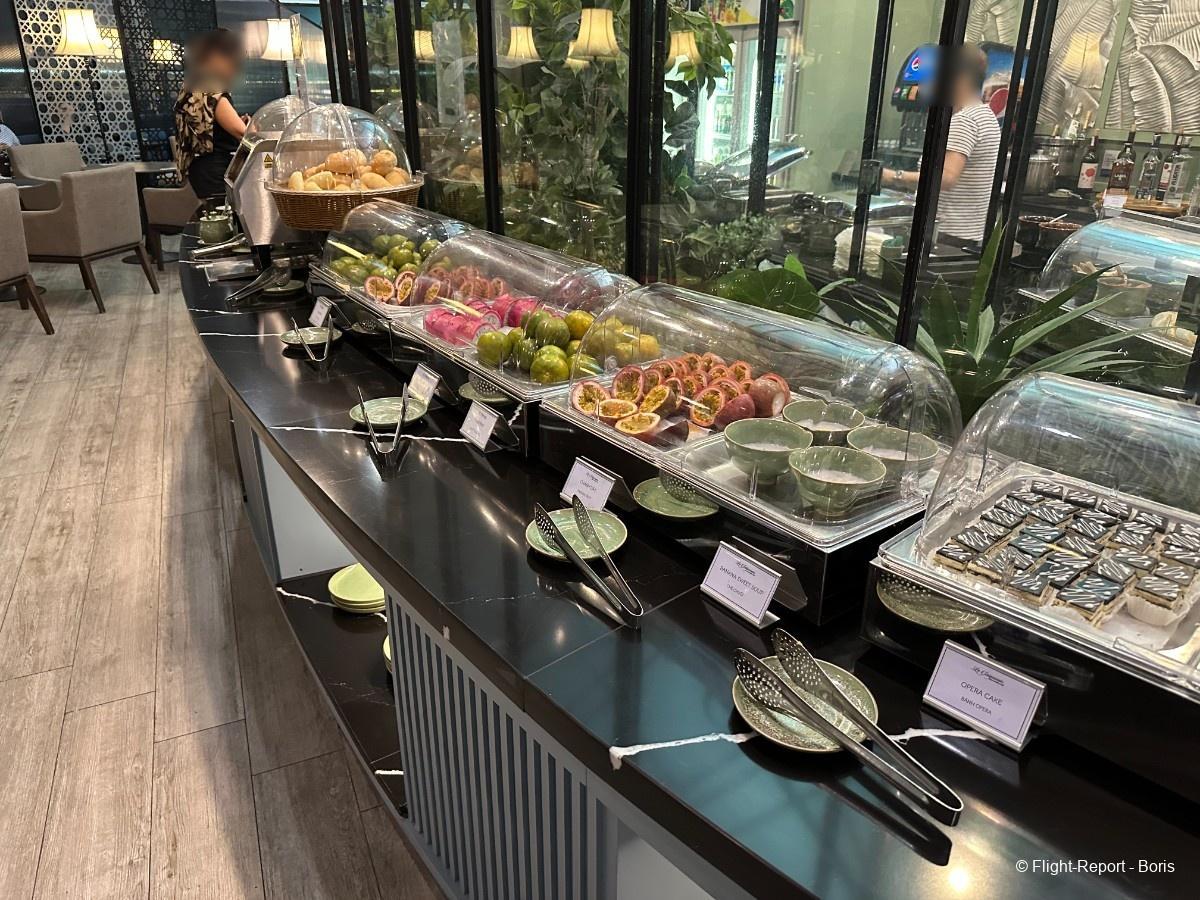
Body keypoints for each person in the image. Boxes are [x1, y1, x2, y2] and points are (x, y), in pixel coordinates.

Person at [882, 44, 1001, 245]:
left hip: (946, 234)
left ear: (960, 78)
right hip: (966, 233)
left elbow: (946, 178)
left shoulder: (965, 120)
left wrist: (893, 176)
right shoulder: (985, 115)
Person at [173, 28, 248, 199]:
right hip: (216, 171)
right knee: (224, 214)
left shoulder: (192, 84)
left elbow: (209, 124)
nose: (233, 70)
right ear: (216, 57)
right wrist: (252, 128)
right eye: (233, 62)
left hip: (199, 170)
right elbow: (242, 133)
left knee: (213, 213)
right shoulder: (210, 87)